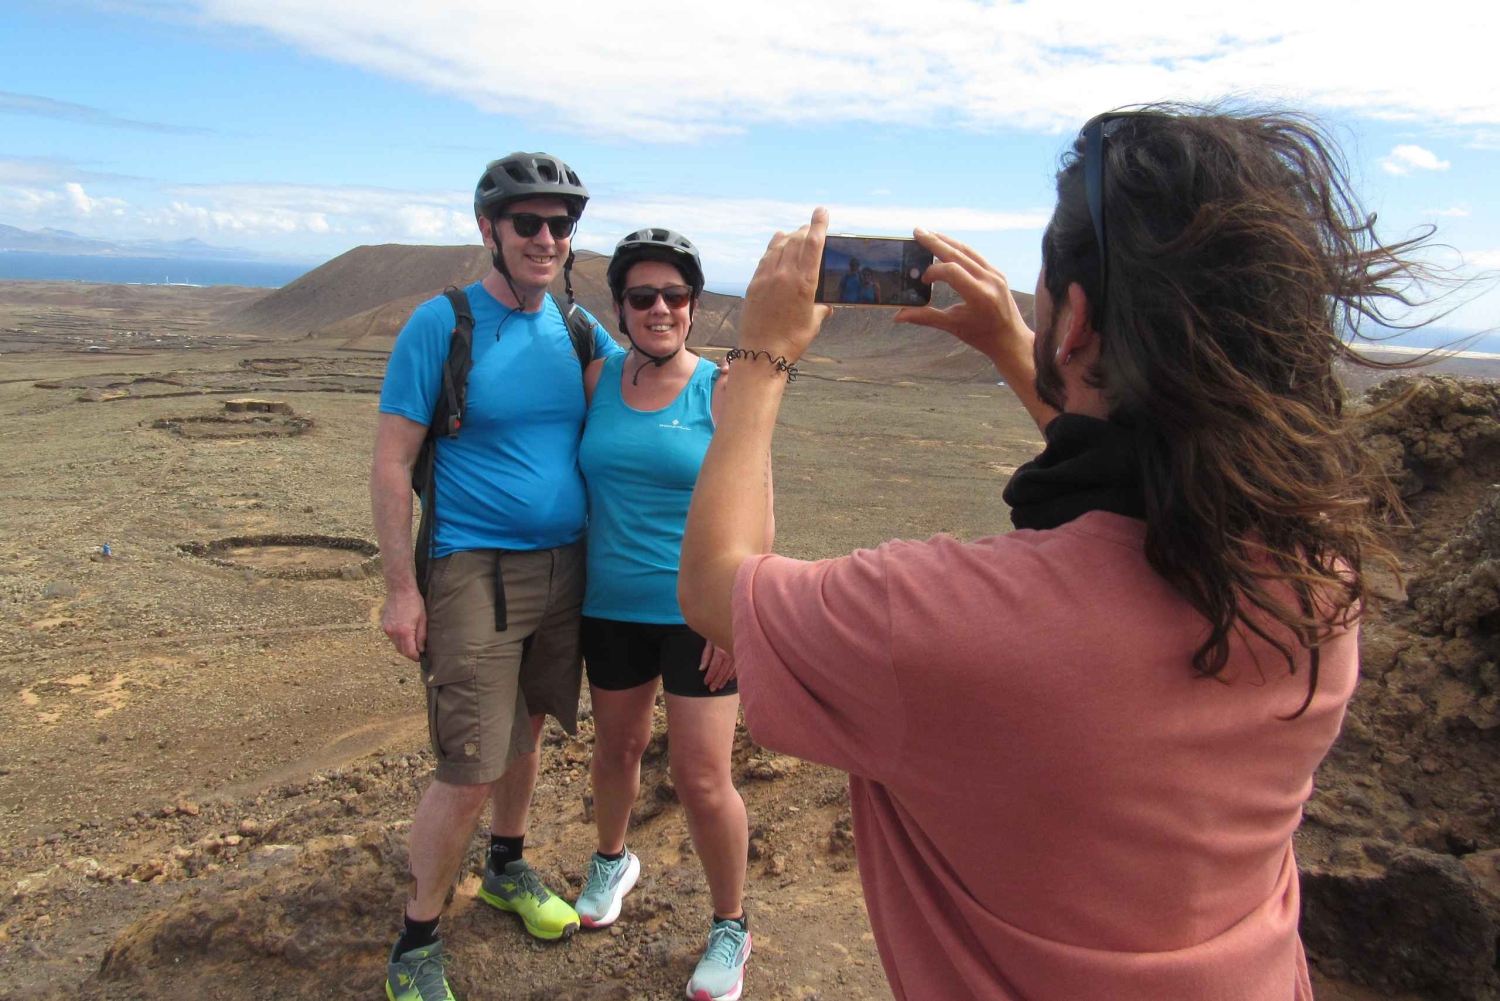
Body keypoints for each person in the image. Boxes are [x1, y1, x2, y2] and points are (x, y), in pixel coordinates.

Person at [679, 107, 1419, 999]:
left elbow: (715, 588)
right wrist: (1009, 342)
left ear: (1073, 322)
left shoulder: (943, 624)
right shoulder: (1318, 576)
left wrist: (760, 355)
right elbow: (1143, 475)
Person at [372, 151, 623, 1001]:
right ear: (490, 229)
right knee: (470, 762)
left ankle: (508, 866)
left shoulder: (580, 329)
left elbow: (651, 384)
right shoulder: (441, 324)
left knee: (530, 726)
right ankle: (415, 939)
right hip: (469, 566)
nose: (547, 238)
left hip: (567, 566)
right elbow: (391, 460)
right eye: (528, 223)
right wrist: (400, 590)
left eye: (560, 225)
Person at [572, 227, 761, 1001]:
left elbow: (756, 506)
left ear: (694, 307)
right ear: (619, 307)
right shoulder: (596, 380)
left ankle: (731, 925)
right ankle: (612, 859)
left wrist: (737, 615)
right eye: (643, 295)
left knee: (701, 775)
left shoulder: (719, 388)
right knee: (617, 747)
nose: (659, 308)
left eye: (674, 296)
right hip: (609, 604)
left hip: (697, 614)